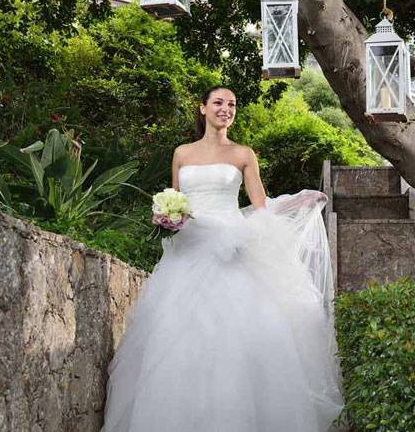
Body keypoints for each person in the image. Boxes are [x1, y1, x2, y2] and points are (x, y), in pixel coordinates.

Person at [102, 86, 343, 431]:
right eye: (218, 103)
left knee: (236, 337)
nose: (225, 109)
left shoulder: (243, 154)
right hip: (187, 252)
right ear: (202, 108)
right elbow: (176, 200)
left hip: (231, 249)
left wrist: (297, 202)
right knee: (174, 337)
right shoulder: (182, 153)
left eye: (231, 104)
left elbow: (261, 207)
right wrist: (167, 217)